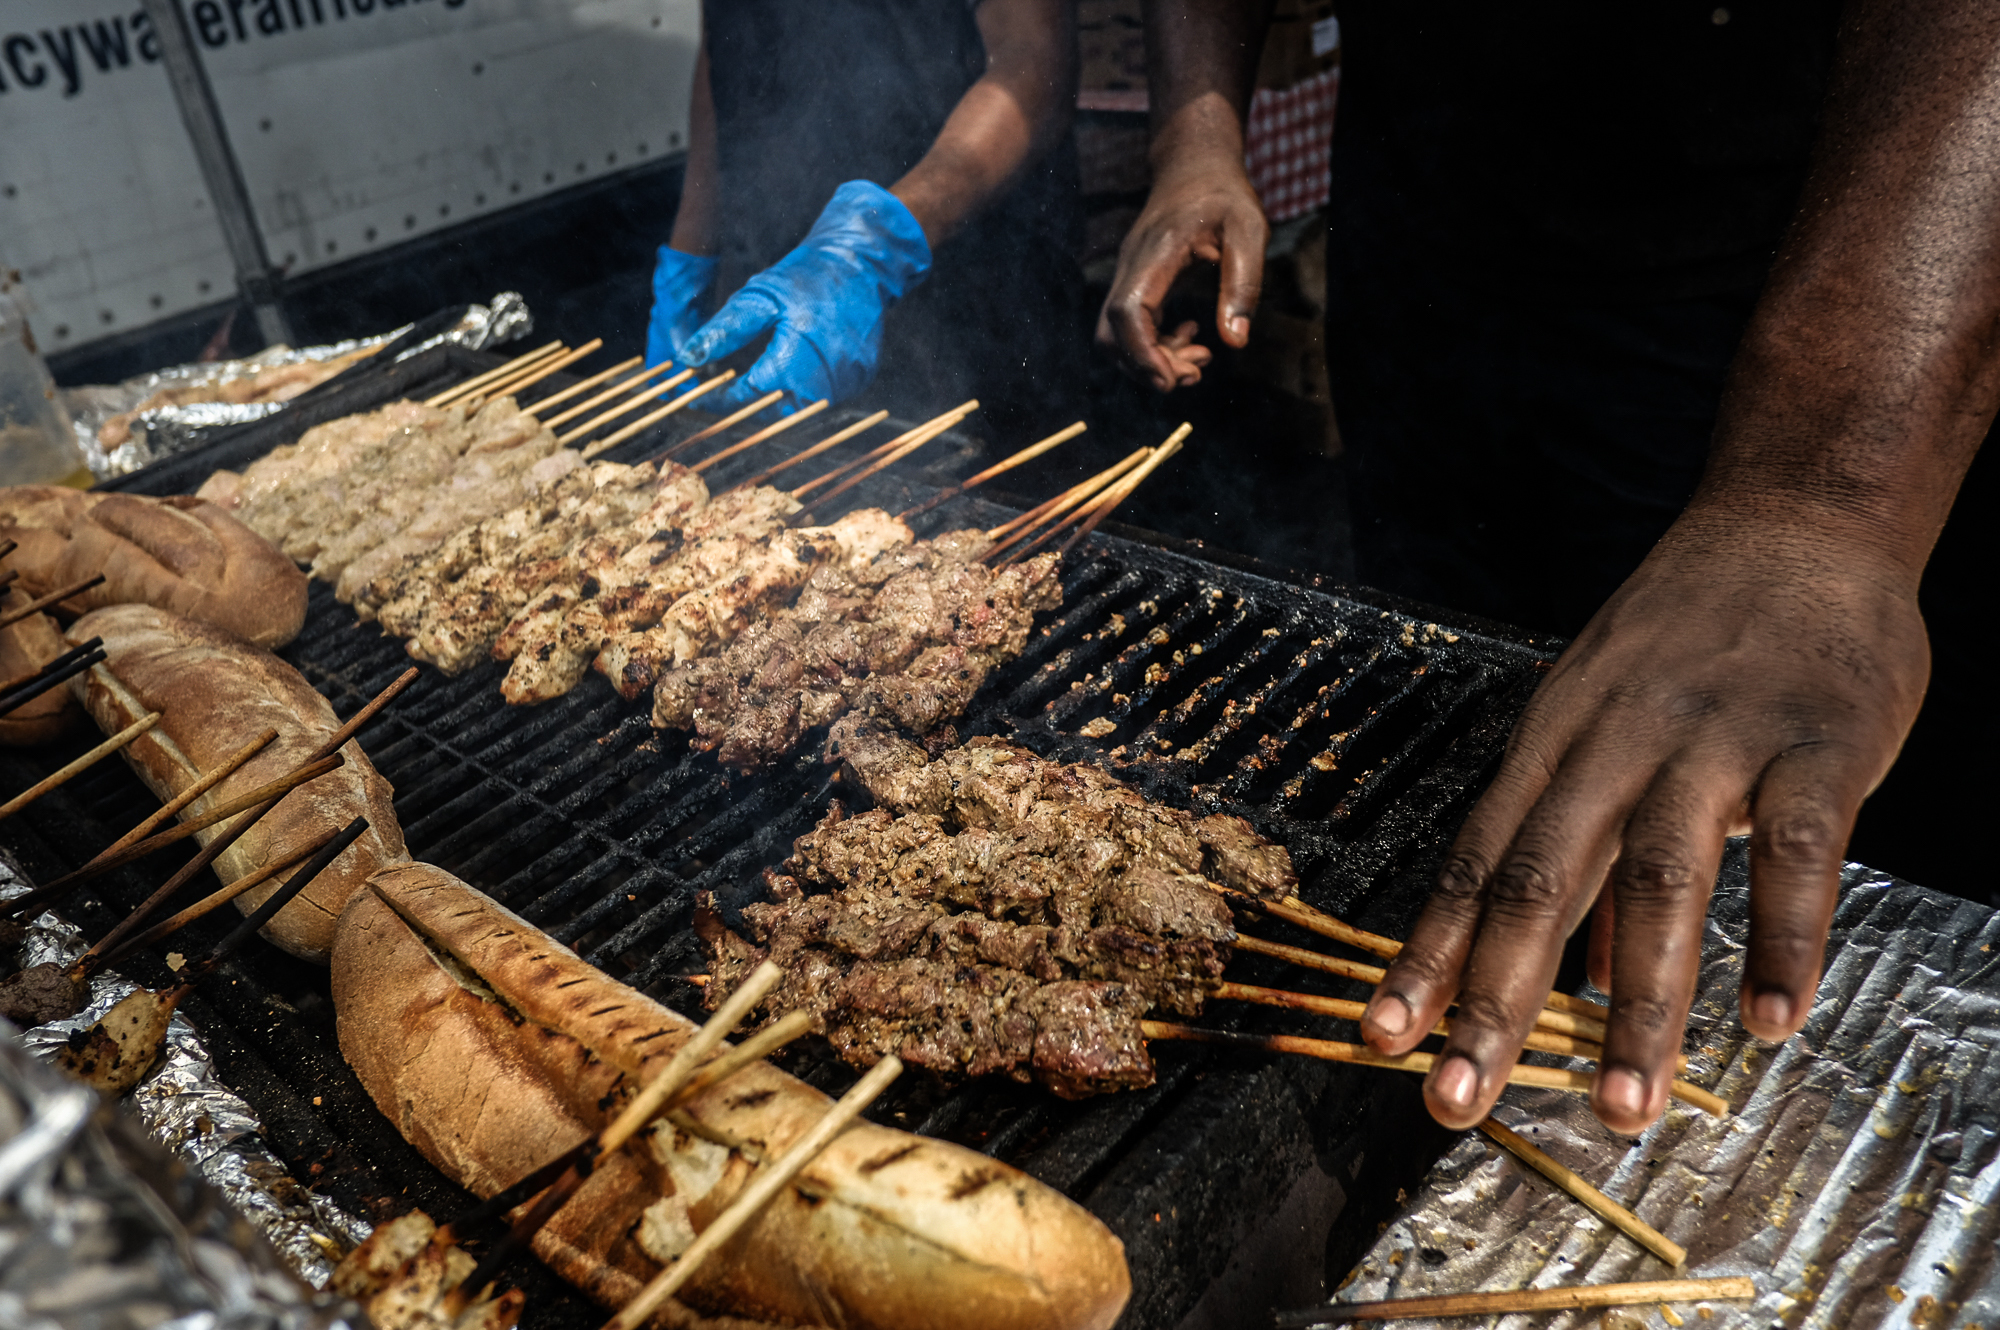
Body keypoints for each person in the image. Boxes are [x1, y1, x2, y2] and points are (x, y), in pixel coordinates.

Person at [1099, 0, 2000, 1137]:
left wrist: (1822, 494)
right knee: (1448, 782)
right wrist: (1194, 132)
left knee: (1724, 829)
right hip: (1422, 254)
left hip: (1783, 275)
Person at [647, 0, 1085, 437]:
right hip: (773, 284)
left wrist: (874, 245)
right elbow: (726, 46)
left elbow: (1032, 61)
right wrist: (688, 263)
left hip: (967, 288)